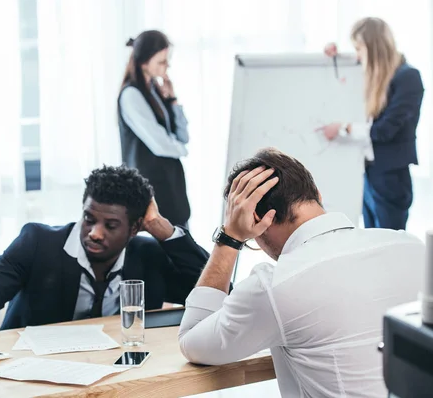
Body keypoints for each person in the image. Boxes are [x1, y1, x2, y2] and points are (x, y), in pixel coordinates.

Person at [0, 165, 208, 362]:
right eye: (88, 219)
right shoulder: (38, 243)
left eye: (110, 226)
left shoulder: (147, 255)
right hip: (28, 373)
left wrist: (162, 228)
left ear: (135, 227)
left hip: (114, 379)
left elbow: (215, 294)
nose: (93, 233)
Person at [178, 148, 424, 397]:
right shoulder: (411, 246)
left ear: (254, 219)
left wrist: (230, 238)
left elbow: (192, 341)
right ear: (317, 194)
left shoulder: (275, 287)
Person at [316, 17, 424, 230]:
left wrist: (343, 128)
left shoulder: (407, 77)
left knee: (390, 243)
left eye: (359, 48)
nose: (356, 55)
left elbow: (385, 130)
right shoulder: (373, 75)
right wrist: (333, 57)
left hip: (390, 176)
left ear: (373, 48)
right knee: (371, 242)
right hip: (368, 174)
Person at [118, 30, 191, 227]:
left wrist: (173, 101)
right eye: (161, 62)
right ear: (143, 62)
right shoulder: (132, 95)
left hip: (170, 186)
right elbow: (161, 145)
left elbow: (182, 137)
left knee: (181, 244)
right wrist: (182, 151)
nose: (167, 66)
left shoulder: (156, 91)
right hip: (152, 190)